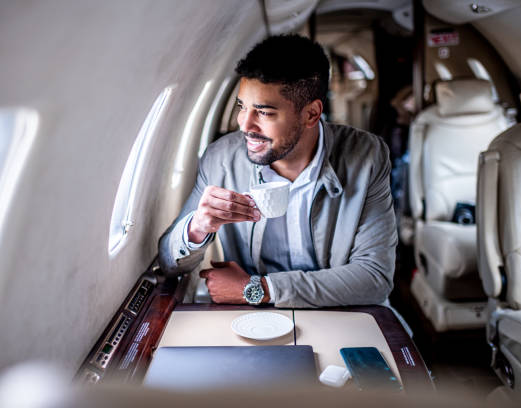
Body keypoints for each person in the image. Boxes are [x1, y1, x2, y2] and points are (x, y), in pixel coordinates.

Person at [158, 34, 397, 308]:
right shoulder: (220, 159)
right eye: (241, 107)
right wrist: (197, 228)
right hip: (255, 321)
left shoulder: (366, 157)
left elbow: (375, 279)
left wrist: (259, 289)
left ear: (311, 114)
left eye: (264, 112)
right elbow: (168, 264)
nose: (245, 125)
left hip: (343, 314)